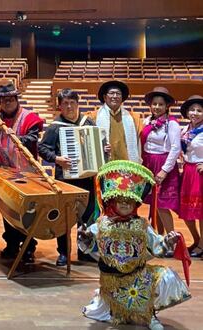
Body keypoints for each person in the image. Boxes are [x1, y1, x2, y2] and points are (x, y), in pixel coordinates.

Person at [79, 160, 190, 330]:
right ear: (112, 201)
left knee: (164, 277)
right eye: (120, 200)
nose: (124, 204)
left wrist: (167, 241)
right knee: (117, 312)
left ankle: (149, 315)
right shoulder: (102, 224)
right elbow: (92, 247)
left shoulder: (142, 225)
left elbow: (156, 245)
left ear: (135, 204)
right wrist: (85, 238)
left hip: (138, 274)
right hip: (112, 279)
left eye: (129, 201)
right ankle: (117, 310)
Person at [38, 89, 100, 266]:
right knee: (64, 218)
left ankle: (85, 251)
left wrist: (104, 148)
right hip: (65, 179)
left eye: (72, 102)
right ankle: (64, 253)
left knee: (88, 216)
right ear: (60, 106)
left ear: (78, 104)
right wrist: (57, 159)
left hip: (87, 178)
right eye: (65, 103)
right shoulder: (55, 127)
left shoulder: (88, 122)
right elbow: (43, 149)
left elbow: (98, 144)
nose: (70, 106)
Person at [0, 82, 44, 263]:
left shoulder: (29, 117)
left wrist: (15, 138)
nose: (7, 103)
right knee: (7, 209)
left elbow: (33, 138)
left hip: (27, 174)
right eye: (3, 100)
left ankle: (28, 247)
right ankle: (11, 244)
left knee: (27, 213)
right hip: (3, 173)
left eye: (10, 99)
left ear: (17, 100)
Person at [140, 87, 181, 239]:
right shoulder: (147, 121)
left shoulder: (172, 124)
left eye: (160, 104)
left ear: (167, 106)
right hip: (148, 163)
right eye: (154, 104)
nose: (157, 107)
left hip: (163, 164)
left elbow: (175, 148)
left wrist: (164, 170)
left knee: (162, 204)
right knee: (155, 204)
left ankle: (172, 239)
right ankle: (159, 236)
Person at [88, 80, 142, 163]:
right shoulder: (93, 117)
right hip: (105, 164)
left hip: (127, 165)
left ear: (122, 98)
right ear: (105, 97)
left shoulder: (133, 118)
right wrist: (99, 148)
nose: (115, 96)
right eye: (111, 93)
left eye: (118, 93)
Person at [179, 95, 203, 257]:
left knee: (201, 212)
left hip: (200, 172)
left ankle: (202, 246)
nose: (195, 113)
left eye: (199, 110)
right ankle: (197, 240)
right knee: (187, 211)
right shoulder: (185, 129)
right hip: (187, 172)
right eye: (192, 110)